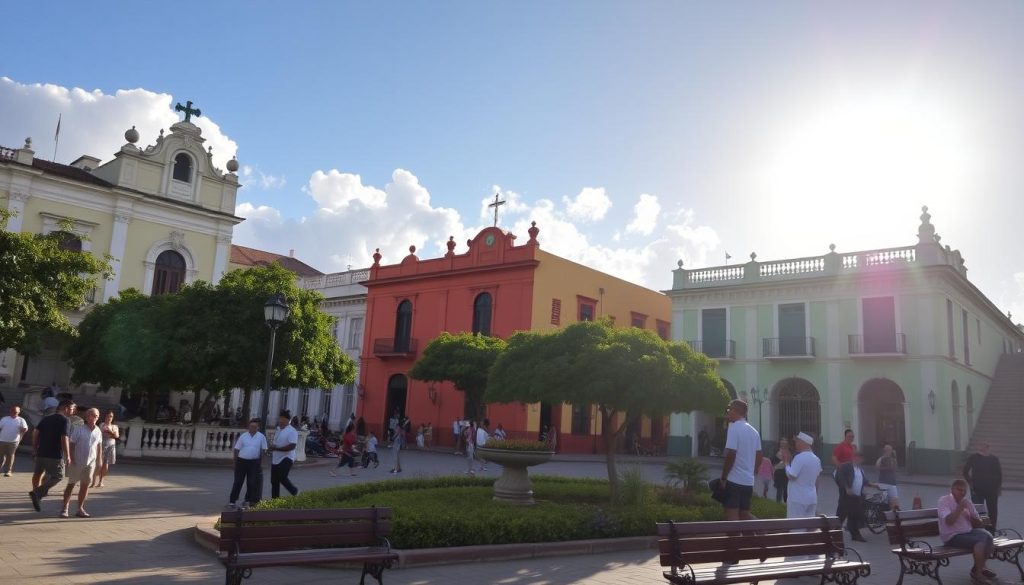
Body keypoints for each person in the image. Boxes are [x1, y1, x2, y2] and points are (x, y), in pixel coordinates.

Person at [939, 479, 997, 584]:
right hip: (952, 536)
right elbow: (949, 521)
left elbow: (979, 523)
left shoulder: (967, 502)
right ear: (952, 489)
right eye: (959, 489)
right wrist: (960, 508)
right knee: (980, 541)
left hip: (967, 532)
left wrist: (973, 518)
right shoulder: (944, 501)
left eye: (964, 490)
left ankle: (977, 568)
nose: (962, 492)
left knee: (988, 537)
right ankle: (979, 574)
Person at [718, 399, 763, 521]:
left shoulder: (734, 428)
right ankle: (763, 531)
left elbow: (731, 454)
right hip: (748, 481)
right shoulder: (754, 431)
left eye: (729, 409)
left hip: (734, 481)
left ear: (737, 411)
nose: (727, 413)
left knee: (732, 517)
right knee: (744, 514)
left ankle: (735, 540)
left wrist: (723, 477)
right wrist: (751, 472)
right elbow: (759, 456)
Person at [29, 399, 75, 512]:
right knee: (59, 476)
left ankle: (37, 496)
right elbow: (64, 438)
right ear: (66, 408)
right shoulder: (66, 420)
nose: (73, 412)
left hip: (41, 453)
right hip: (55, 455)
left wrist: (35, 449)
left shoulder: (47, 418)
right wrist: (67, 455)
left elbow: (35, 433)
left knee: (37, 474)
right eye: (72, 409)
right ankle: (37, 493)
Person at [61, 408, 102, 518]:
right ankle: (65, 508)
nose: (94, 418)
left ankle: (80, 508)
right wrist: (71, 458)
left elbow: (99, 446)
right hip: (77, 461)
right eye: (92, 415)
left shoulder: (98, 430)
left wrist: (99, 460)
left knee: (85, 485)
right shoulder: (79, 429)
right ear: (86, 417)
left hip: (90, 463)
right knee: (71, 484)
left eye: (96, 416)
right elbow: (72, 443)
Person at [228, 419, 267, 509]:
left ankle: (247, 500)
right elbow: (236, 449)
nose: (252, 428)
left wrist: (262, 463)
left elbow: (264, 450)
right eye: (251, 426)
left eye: (254, 427)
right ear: (248, 427)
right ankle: (232, 500)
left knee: (251, 482)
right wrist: (234, 463)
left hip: (254, 462)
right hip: (241, 461)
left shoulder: (261, 437)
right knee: (238, 481)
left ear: (258, 428)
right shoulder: (243, 436)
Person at [963, 441, 1002, 531]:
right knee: (978, 510)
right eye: (980, 445)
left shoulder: (994, 459)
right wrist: (970, 483)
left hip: (992, 489)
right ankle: (980, 528)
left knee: (992, 510)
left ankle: (991, 529)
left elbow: (999, 474)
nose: (982, 447)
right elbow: (965, 471)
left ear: (988, 447)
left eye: (985, 446)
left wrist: (998, 488)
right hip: (977, 489)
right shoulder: (973, 457)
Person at [783, 432, 822, 519]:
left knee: (796, 528)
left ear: (804, 443)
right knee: (809, 527)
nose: (796, 444)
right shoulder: (816, 459)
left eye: (797, 441)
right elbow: (817, 480)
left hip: (797, 499)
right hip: (812, 498)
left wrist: (786, 464)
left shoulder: (799, 457)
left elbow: (791, 475)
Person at [836, 451, 873, 541]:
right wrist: (846, 487)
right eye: (857, 457)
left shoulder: (860, 470)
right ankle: (833, 535)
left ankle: (855, 535)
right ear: (853, 457)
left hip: (856, 497)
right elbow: (840, 477)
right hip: (846, 497)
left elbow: (864, 481)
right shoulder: (846, 466)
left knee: (854, 516)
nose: (858, 459)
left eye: (860, 458)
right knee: (841, 516)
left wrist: (872, 484)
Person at [269, 411, 299, 498]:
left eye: (282, 419)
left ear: (287, 420)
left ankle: (295, 491)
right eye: (279, 418)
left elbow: (292, 446)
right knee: (274, 481)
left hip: (287, 457)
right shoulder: (278, 429)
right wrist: (273, 447)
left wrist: (277, 448)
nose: (280, 421)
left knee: (282, 477)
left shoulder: (292, 431)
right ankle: (275, 501)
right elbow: (277, 442)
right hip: (276, 458)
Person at [831, 429, 856, 521]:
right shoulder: (841, 446)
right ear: (845, 436)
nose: (851, 438)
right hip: (843, 475)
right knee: (843, 498)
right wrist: (840, 468)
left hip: (850, 475)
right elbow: (834, 458)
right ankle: (838, 520)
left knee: (848, 498)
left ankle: (848, 520)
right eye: (849, 436)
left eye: (852, 436)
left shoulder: (852, 447)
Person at [91, 411, 119, 488]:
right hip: (101, 445)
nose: (109, 418)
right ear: (105, 417)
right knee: (98, 463)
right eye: (108, 416)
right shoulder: (102, 424)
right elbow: (100, 433)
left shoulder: (115, 426)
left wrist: (110, 432)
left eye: (111, 416)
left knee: (106, 464)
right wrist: (111, 434)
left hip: (111, 446)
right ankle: (93, 481)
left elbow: (116, 436)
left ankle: (101, 481)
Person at [0, 405, 29, 476]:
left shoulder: (21, 420)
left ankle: (8, 471)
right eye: (12, 411)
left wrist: (23, 429)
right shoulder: (4, 419)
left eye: (15, 412)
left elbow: (25, 429)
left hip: (14, 441)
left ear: (19, 412)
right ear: (10, 411)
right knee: (1, 455)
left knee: (10, 456)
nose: (14, 412)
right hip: (2, 440)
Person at [875, 443, 901, 510]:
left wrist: (894, 459)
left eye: (890, 450)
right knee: (884, 502)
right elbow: (877, 467)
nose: (889, 451)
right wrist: (887, 467)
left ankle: (894, 515)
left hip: (892, 483)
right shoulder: (881, 459)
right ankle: (884, 515)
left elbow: (896, 468)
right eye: (888, 450)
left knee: (895, 501)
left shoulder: (893, 459)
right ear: (885, 450)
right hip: (883, 483)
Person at [772, 437, 790, 503]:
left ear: (787, 443)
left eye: (785, 441)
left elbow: (790, 461)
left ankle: (786, 504)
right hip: (778, 472)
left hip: (786, 472)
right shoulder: (776, 450)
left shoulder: (789, 451)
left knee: (786, 489)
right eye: (782, 441)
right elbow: (773, 461)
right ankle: (778, 504)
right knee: (779, 489)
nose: (783, 443)